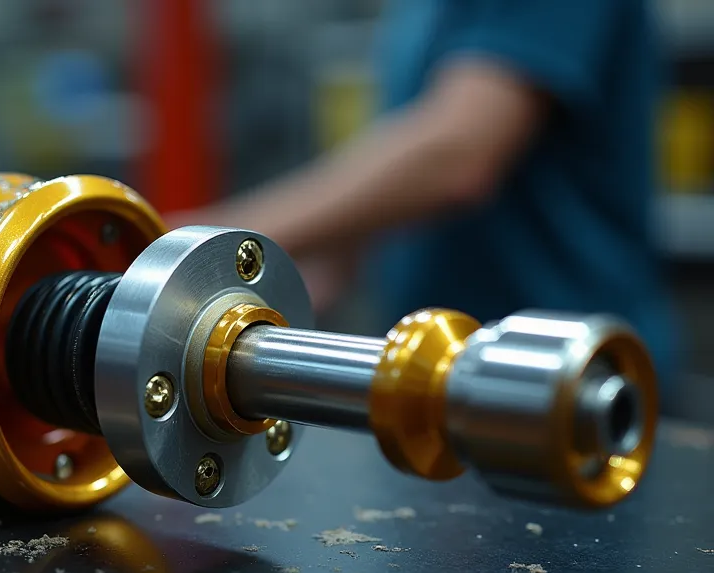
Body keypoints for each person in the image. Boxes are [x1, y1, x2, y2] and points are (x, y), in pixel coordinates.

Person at [176, 0, 680, 390]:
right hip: (441, 374)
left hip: (570, 372)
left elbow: (458, 153)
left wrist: (193, 245)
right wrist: (320, 263)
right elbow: (397, 165)